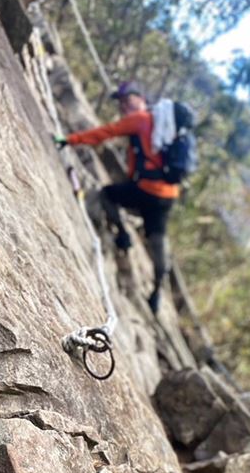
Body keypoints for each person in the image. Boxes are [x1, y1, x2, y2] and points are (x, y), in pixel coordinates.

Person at [57, 81, 179, 314]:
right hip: (166, 195)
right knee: (158, 240)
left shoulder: (140, 119)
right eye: (122, 102)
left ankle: (123, 235)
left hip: (145, 190)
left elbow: (105, 133)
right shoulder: (162, 125)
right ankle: (156, 291)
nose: (123, 105)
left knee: (107, 195)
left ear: (139, 99)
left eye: (127, 100)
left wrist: (70, 140)